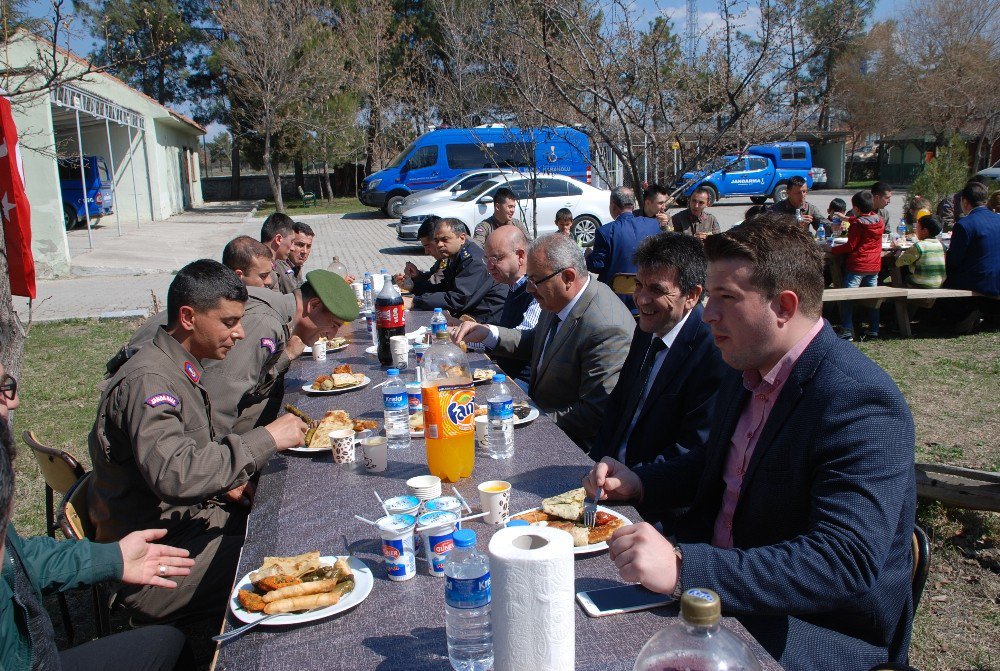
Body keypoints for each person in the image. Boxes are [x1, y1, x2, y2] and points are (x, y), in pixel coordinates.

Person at [583, 216, 916, 671]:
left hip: (809, 627)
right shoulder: (751, 366)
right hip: (720, 595)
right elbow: (717, 464)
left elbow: (843, 560)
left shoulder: (859, 400)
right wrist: (640, 483)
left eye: (726, 299)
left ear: (783, 306)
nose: (707, 315)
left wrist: (686, 569)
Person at [88, 260, 308, 625]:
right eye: (228, 322)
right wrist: (267, 438)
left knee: (287, 521)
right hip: (151, 562)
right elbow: (177, 475)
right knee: (281, 564)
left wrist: (227, 480)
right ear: (188, 318)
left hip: (182, 524)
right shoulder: (150, 381)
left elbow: (188, 453)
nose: (239, 334)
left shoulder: (178, 365)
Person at [1, 397, 194, 671]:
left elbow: (19, 560)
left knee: (167, 645)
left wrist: (111, 557)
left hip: (40, 659)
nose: (14, 400)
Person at [452, 233, 635, 453]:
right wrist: (488, 333)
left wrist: (528, 423)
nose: (529, 289)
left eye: (535, 281)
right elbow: (537, 342)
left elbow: (593, 414)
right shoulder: (558, 298)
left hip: (573, 449)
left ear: (568, 277)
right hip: (544, 419)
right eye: (528, 279)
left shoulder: (605, 327)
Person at [590, 233, 725, 521]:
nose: (642, 299)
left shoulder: (714, 351)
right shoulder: (647, 328)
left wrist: (636, 481)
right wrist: (596, 465)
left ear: (692, 295)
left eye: (657, 289)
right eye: (639, 285)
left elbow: (694, 450)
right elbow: (617, 406)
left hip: (661, 507)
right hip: (610, 484)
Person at [411, 218, 508, 322]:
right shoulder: (456, 256)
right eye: (436, 240)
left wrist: (415, 301)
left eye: (445, 239)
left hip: (486, 320)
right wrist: (414, 287)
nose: (439, 245)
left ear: (462, 238)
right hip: (470, 315)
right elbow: (445, 288)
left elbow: (458, 299)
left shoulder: (473, 261)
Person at [482, 225, 541, 385]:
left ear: (520, 256)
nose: (489, 266)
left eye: (495, 259)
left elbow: (522, 340)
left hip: (523, 382)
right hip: (505, 373)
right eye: (486, 259)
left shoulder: (535, 289)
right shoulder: (513, 285)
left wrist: (483, 334)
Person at [587, 186, 661, 312]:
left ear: (613, 206)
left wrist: (588, 256)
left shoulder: (605, 231)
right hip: (647, 296)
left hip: (614, 300)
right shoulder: (653, 225)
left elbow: (596, 266)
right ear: (633, 205)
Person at [831, 191, 886, 341]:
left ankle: (846, 329)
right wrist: (848, 218)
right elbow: (864, 219)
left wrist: (831, 249)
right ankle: (873, 329)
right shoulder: (879, 220)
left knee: (847, 297)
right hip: (874, 266)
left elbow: (850, 245)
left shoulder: (857, 224)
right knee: (872, 300)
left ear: (856, 208)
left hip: (858, 265)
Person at [944, 180, 1000, 298]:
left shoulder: (964, 224)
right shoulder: (997, 219)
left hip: (978, 282)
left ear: (964, 202)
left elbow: (953, 262)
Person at [396, 216, 447, 290]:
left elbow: (436, 286)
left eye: (427, 245)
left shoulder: (451, 258)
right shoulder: (443, 259)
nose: (426, 252)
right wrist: (417, 275)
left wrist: (413, 287)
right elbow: (433, 276)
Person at [896, 214, 946, 289]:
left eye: (917, 227)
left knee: (902, 274)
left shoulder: (919, 246)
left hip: (921, 283)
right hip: (939, 283)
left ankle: (897, 299)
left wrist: (898, 251)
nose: (915, 230)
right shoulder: (942, 246)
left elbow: (899, 262)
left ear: (924, 231)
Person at [260, 212, 298, 294]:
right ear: (278, 239)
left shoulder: (271, 264)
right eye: (291, 241)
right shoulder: (264, 270)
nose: (292, 248)